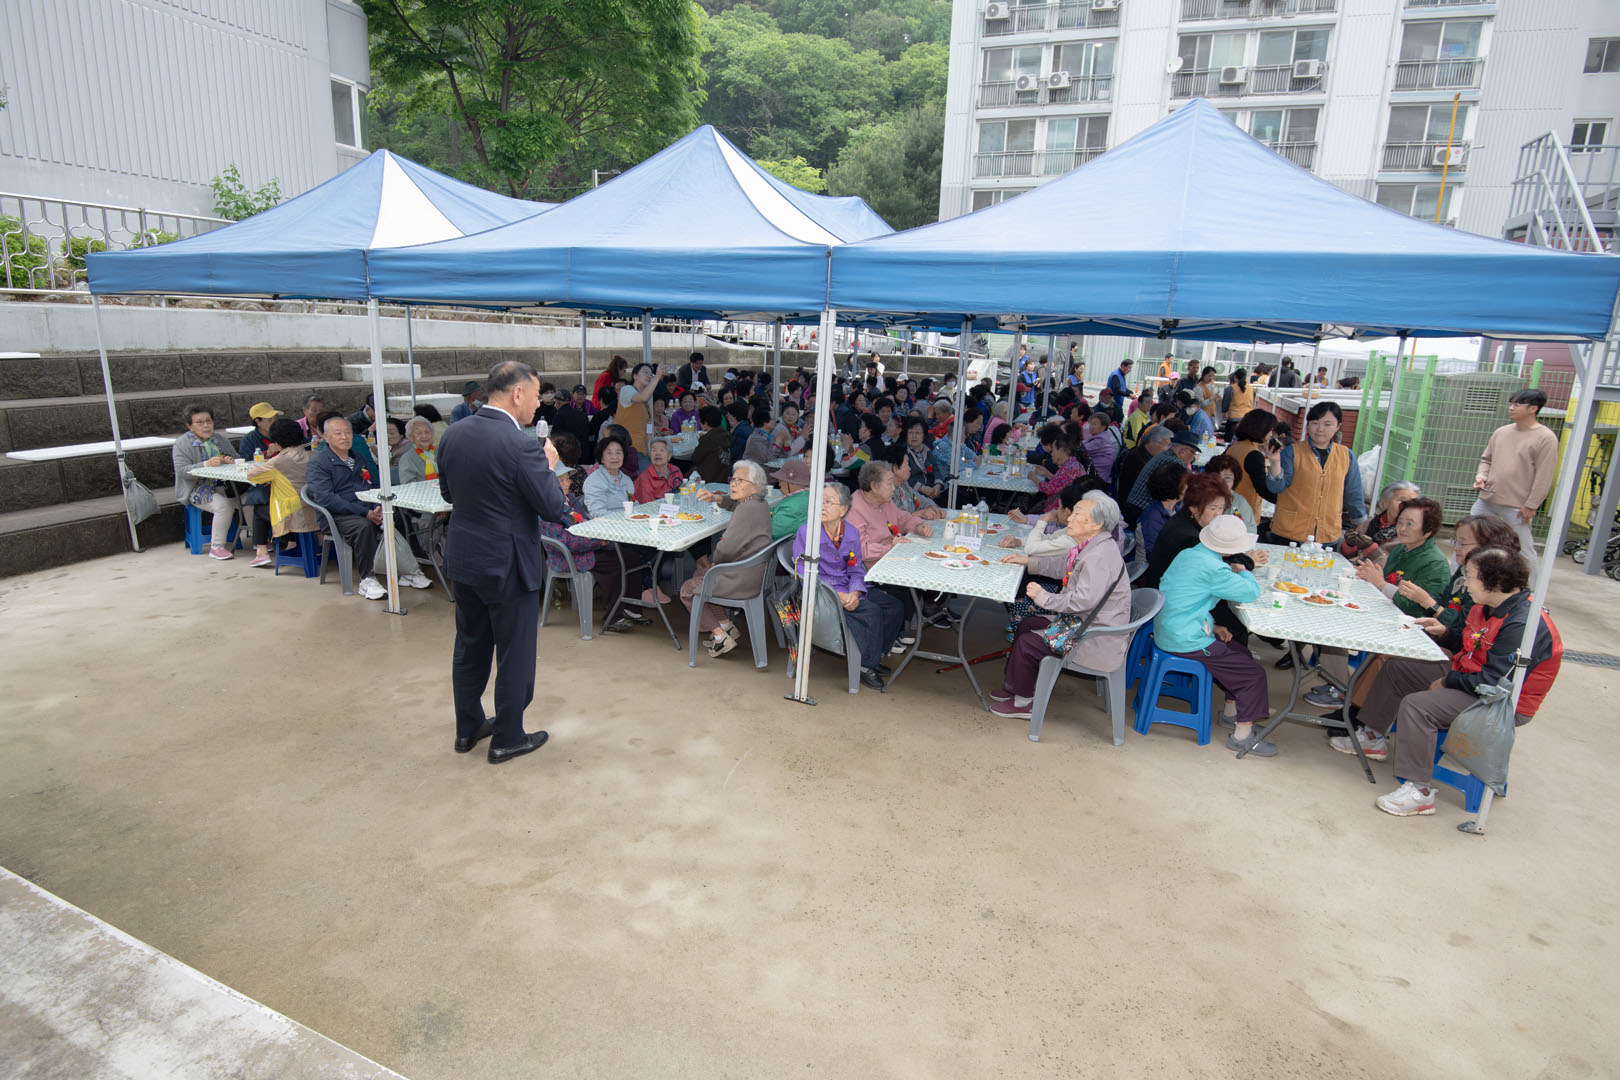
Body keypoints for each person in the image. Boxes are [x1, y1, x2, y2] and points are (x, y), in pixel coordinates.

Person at [1338, 546, 1562, 817]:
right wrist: (1445, 633)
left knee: (1418, 706)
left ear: (1494, 581)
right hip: (1472, 676)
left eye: (1471, 577)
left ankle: (1419, 791)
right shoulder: (1488, 605)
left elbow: (1495, 682)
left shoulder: (1522, 624)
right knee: (1398, 668)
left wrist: (1448, 681)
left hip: (1503, 702)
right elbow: (1472, 646)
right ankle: (1373, 736)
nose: (1465, 584)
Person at [436, 360, 567, 765]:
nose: (538, 404)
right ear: (517, 393)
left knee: (470, 645)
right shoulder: (522, 445)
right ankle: (508, 737)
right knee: (514, 653)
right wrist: (548, 466)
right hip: (508, 564)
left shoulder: (454, 433)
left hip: (464, 557)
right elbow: (552, 506)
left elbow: (448, 494)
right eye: (536, 395)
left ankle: (467, 727)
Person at [1316, 514, 1520, 719]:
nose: (1456, 548)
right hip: (1450, 643)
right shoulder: (1454, 570)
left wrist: (1428, 604)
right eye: (1455, 541)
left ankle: (1355, 714)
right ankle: (1355, 710)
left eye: (1463, 543)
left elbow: (1464, 630)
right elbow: (1448, 608)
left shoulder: (1481, 587)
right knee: (1384, 646)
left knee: (1388, 655)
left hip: (1460, 660)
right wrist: (1429, 607)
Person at [988, 492, 1133, 720]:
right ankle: (1016, 686)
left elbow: (1080, 602)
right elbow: (1064, 568)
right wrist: (1028, 562)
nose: (1070, 518)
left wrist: (1043, 597)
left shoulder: (1098, 557)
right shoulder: (1094, 545)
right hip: (1084, 622)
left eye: (1078, 514)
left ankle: (1023, 703)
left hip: (1093, 635)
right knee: (1028, 624)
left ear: (1096, 524)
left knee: (1028, 643)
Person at [1154, 515, 1274, 756]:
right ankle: (1242, 737)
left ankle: (1232, 713)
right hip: (1185, 638)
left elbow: (1188, 599)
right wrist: (1244, 571)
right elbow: (1250, 592)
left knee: (1240, 652)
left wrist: (1213, 625)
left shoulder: (1189, 554)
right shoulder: (1214, 567)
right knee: (1252, 674)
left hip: (1172, 627)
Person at [791, 482, 906, 690]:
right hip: (822, 593)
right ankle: (865, 666)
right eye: (819, 501)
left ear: (843, 510)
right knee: (871, 612)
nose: (822, 506)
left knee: (894, 607)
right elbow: (803, 574)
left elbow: (855, 567)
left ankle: (872, 653)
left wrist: (855, 590)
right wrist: (838, 595)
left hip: (848, 586)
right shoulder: (807, 532)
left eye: (828, 502)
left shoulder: (851, 533)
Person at [685, 460, 775, 657]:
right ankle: (726, 625)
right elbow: (735, 504)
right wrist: (715, 498)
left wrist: (715, 561)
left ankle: (720, 637)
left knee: (688, 589)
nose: (733, 484)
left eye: (740, 481)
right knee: (703, 576)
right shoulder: (758, 504)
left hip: (741, 579)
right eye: (733, 480)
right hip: (753, 573)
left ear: (755, 486)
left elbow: (726, 548)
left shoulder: (746, 510)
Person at [1471, 388, 1558, 575]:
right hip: (1486, 499)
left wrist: (1532, 505)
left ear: (1533, 408)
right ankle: (1457, 582)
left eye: (1517, 404)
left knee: (1523, 550)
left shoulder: (1546, 438)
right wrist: (1481, 476)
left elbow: (1544, 476)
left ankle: (1532, 590)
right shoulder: (1501, 432)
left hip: (1518, 507)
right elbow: (1486, 459)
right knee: (1469, 539)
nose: (1511, 408)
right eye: (1510, 403)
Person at [304, 414, 389, 598]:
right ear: (325, 437)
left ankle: (408, 570)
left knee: (396, 516)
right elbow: (326, 498)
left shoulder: (358, 458)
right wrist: (365, 512)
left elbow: (374, 485)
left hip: (366, 509)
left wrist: (377, 507)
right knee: (364, 526)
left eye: (348, 432)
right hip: (336, 516)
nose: (344, 437)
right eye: (338, 433)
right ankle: (367, 579)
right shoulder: (318, 463)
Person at [1263, 400, 1365, 546]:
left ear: (1338, 427)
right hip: (1290, 532)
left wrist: (1360, 522)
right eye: (1315, 423)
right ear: (1308, 425)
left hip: (1327, 534)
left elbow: (1353, 492)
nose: (1320, 429)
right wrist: (1275, 463)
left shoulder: (1346, 456)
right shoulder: (1292, 452)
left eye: (1327, 424)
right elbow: (1276, 488)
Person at [1137, 471, 1243, 592]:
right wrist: (1248, 561)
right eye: (1213, 508)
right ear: (1193, 507)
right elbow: (1217, 569)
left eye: (1221, 507)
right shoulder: (1187, 536)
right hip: (1168, 596)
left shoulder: (1189, 519)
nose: (1218, 514)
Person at [170, 404, 241, 560]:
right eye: (199, 422)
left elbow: (237, 458)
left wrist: (229, 460)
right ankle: (216, 547)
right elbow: (182, 471)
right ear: (190, 426)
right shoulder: (182, 444)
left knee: (251, 498)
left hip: (225, 485)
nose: (206, 426)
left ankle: (259, 543)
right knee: (224, 506)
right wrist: (205, 464)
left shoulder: (219, 439)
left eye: (209, 421)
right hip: (197, 489)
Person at [243, 417, 318, 564]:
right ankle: (292, 543)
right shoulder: (314, 455)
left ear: (276, 442)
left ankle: (261, 551)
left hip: (295, 513)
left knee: (260, 510)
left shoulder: (279, 461)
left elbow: (252, 476)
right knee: (286, 502)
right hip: (317, 508)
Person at [1125, 429, 1199, 524]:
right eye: (1193, 453)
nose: (1193, 458)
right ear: (1183, 451)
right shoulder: (1175, 463)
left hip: (1134, 509)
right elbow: (1192, 486)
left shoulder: (1164, 455)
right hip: (1143, 514)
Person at [1340, 480, 1421, 562]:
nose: (1407, 506)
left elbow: (1391, 565)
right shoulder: (1369, 523)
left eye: (1413, 502)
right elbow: (1347, 556)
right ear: (1386, 502)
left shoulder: (1412, 535)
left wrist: (1370, 548)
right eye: (1402, 501)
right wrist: (1349, 544)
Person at [1224, 410, 1276, 522]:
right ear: (1261, 429)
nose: (1271, 434)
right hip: (1244, 512)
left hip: (1230, 506)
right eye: (1270, 430)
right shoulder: (1254, 455)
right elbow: (1263, 488)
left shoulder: (1234, 447)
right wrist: (1285, 500)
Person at [1137, 462, 1189, 560]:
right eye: (1186, 483)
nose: (1188, 486)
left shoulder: (1175, 509)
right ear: (1175, 486)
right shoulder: (1152, 518)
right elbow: (1154, 554)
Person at [618, 362, 661, 467]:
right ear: (635, 376)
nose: (649, 376)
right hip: (628, 449)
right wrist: (657, 377)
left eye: (651, 374)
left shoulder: (647, 399)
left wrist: (654, 431)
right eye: (645, 372)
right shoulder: (627, 389)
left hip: (643, 449)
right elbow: (642, 398)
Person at [1030, 430, 1085, 513]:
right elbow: (1060, 483)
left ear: (1061, 451)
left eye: (1053, 450)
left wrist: (1033, 478)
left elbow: (1048, 489)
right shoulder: (1073, 464)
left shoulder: (1068, 468)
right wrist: (1046, 473)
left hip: (1059, 511)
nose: (1051, 454)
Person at [1200, 453, 1256, 531]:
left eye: (1227, 478)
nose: (1222, 482)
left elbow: (1250, 530)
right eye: (1217, 477)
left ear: (1234, 480)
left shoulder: (1239, 502)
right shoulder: (1199, 496)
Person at [900, 416, 944, 502]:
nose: (914, 436)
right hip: (912, 494)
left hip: (931, 492)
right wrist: (922, 488)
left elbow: (936, 470)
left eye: (917, 433)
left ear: (923, 436)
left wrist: (937, 486)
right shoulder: (902, 453)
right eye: (910, 433)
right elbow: (904, 478)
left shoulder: (927, 451)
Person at [769, 458, 812, 540]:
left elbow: (772, 531)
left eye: (781, 480)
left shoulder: (791, 507)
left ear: (791, 483)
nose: (779, 484)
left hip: (779, 546)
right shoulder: (807, 496)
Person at [688, 405, 731, 483]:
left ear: (705, 422)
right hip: (724, 475)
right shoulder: (727, 434)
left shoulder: (708, 439)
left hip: (709, 476)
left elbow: (695, 459)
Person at [633, 438, 684, 503]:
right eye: (654, 450)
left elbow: (682, 493)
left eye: (662, 450)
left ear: (669, 456)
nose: (657, 453)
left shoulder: (676, 471)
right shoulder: (644, 479)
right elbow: (647, 505)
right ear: (650, 455)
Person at [1220, 367, 1253, 440]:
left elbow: (1225, 405)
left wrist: (1224, 411)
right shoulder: (1251, 388)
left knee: (1228, 440)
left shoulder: (1230, 388)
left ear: (1235, 377)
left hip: (1234, 418)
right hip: (1247, 418)